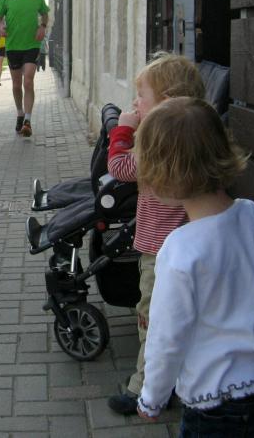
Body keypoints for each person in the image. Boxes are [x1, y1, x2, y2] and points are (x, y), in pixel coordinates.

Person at [135, 97, 254, 436]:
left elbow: (167, 337)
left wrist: (152, 398)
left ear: (162, 172)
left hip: (215, 406)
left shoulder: (180, 250)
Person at [106, 53, 206, 415]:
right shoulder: (190, 140)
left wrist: (122, 129)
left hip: (159, 252)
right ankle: (177, 379)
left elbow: (119, 167)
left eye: (141, 97)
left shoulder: (160, 146)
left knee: (151, 318)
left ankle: (145, 388)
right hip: (186, 245)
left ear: (166, 103)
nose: (135, 103)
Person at [0, 0, 49, 137]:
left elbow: (45, 13)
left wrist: (42, 26)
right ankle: (19, 113)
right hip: (13, 46)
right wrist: (0, 27)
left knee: (28, 81)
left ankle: (28, 120)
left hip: (32, 44)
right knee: (17, 85)